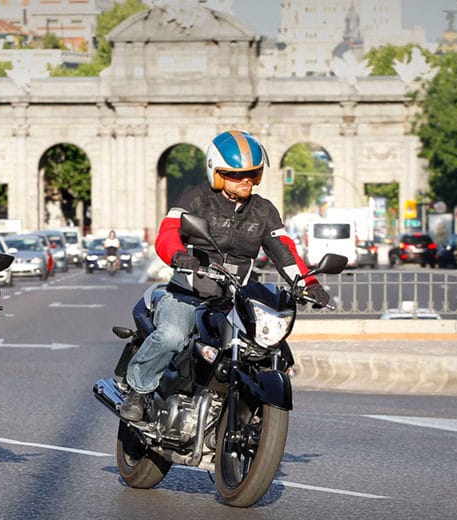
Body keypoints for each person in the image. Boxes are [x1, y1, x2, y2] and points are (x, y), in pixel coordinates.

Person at [119, 130, 330, 421]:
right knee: (171, 336)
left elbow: (284, 251)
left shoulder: (264, 211)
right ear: (217, 173)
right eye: (235, 174)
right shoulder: (195, 199)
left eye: (252, 174)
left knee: (271, 347)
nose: (245, 180)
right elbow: (167, 234)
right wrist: (180, 256)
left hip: (234, 300)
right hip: (189, 294)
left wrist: (309, 283)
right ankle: (139, 391)